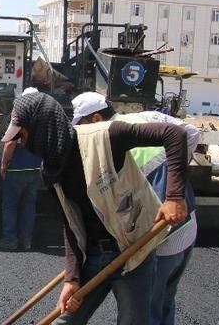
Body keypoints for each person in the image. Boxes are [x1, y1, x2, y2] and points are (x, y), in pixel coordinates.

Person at [2, 92, 189, 325]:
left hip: (133, 252)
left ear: (41, 127)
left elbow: (174, 134)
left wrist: (174, 197)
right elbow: (70, 225)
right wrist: (71, 278)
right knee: (65, 321)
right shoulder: (51, 170)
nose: (20, 142)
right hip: (93, 254)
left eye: (22, 135)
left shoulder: (106, 136)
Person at [71, 92, 199, 325]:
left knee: (149, 309)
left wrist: (170, 193)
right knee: (165, 302)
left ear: (97, 119)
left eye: (82, 126)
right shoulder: (146, 117)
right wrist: (175, 183)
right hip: (186, 222)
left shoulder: (107, 145)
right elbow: (191, 133)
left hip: (158, 235)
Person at [0, 88, 42, 251]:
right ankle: (26, 241)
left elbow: (10, 144)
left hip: (17, 170)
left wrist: (3, 164)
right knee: (29, 206)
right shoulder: (42, 118)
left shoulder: (20, 117)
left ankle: (10, 240)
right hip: (35, 169)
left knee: (10, 206)